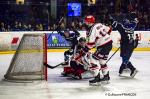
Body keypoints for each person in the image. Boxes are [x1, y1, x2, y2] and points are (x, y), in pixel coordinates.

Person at [84, 15, 113, 85]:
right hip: (109, 44)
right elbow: (109, 29)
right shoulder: (99, 24)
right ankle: (106, 77)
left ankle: (97, 78)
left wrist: (85, 49)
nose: (85, 23)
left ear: (89, 22)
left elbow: (91, 44)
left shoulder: (92, 29)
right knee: (102, 61)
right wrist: (101, 38)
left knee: (93, 59)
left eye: (86, 21)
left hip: (103, 46)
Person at [109, 12, 139, 77]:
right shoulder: (132, 26)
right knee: (124, 57)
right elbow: (135, 22)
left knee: (124, 57)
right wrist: (135, 18)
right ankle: (127, 67)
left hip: (126, 44)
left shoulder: (121, 27)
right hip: (131, 44)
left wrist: (110, 19)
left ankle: (132, 69)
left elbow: (114, 24)